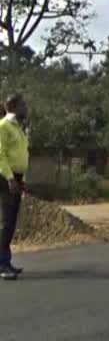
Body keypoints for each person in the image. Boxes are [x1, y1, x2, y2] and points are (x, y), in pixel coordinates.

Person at [0, 94, 29, 281]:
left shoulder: (18, 128)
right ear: (15, 106)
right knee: (7, 222)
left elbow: (21, 155)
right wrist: (10, 178)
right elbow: (0, 154)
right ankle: (2, 265)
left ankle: (6, 261)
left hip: (16, 177)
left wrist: (22, 179)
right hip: (5, 177)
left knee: (10, 222)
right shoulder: (4, 126)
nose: (27, 108)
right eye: (24, 105)